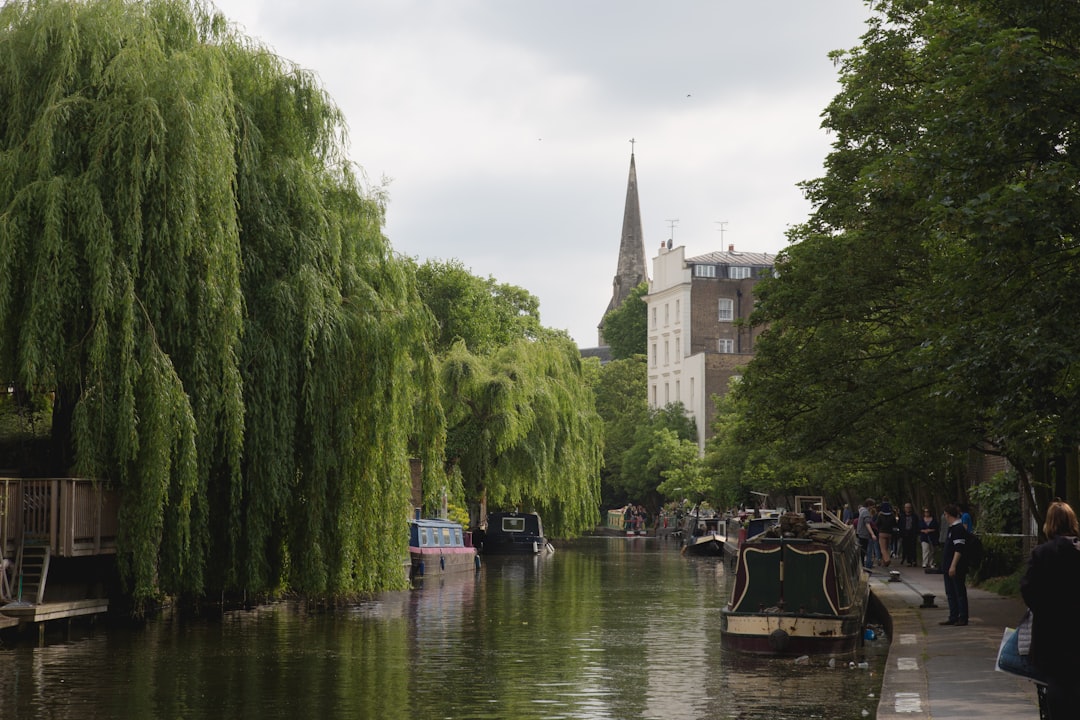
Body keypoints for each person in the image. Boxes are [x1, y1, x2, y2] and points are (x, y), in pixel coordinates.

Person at [1020, 500, 1080, 719]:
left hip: (1050, 631)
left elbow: (1028, 589)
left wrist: (1043, 609)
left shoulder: (1042, 554)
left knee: (1055, 682)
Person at [940, 503, 969, 626]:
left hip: (955, 567)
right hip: (947, 566)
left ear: (948, 515)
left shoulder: (958, 529)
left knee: (959, 592)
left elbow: (959, 549)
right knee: (950, 592)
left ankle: (962, 617)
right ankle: (953, 615)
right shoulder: (952, 528)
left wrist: (953, 565)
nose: (945, 517)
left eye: (945, 514)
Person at [856, 499, 876, 570]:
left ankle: (861, 566)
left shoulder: (862, 511)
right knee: (863, 551)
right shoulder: (866, 513)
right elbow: (867, 524)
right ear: (869, 505)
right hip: (864, 535)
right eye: (873, 506)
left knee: (862, 551)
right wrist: (872, 534)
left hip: (860, 533)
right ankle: (862, 567)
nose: (873, 507)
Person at [876, 501, 896, 567]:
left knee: (883, 549)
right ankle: (884, 562)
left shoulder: (880, 515)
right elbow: (895, 523)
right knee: (886, 547)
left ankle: (887, 559)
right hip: (889, 533)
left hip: (882, 532)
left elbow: (877, 523)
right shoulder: (892, 515)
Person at [899, 502, 918, 566]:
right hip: (905, 533)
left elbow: (916, 525)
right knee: (906, 547)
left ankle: (914, 560)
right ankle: (908, 560)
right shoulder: (902, 516)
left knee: (913, 547)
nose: (908, 509)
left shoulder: (914, 516)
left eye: (909, 507)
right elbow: (900, 525)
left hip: (912, 533)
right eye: (906, 507)